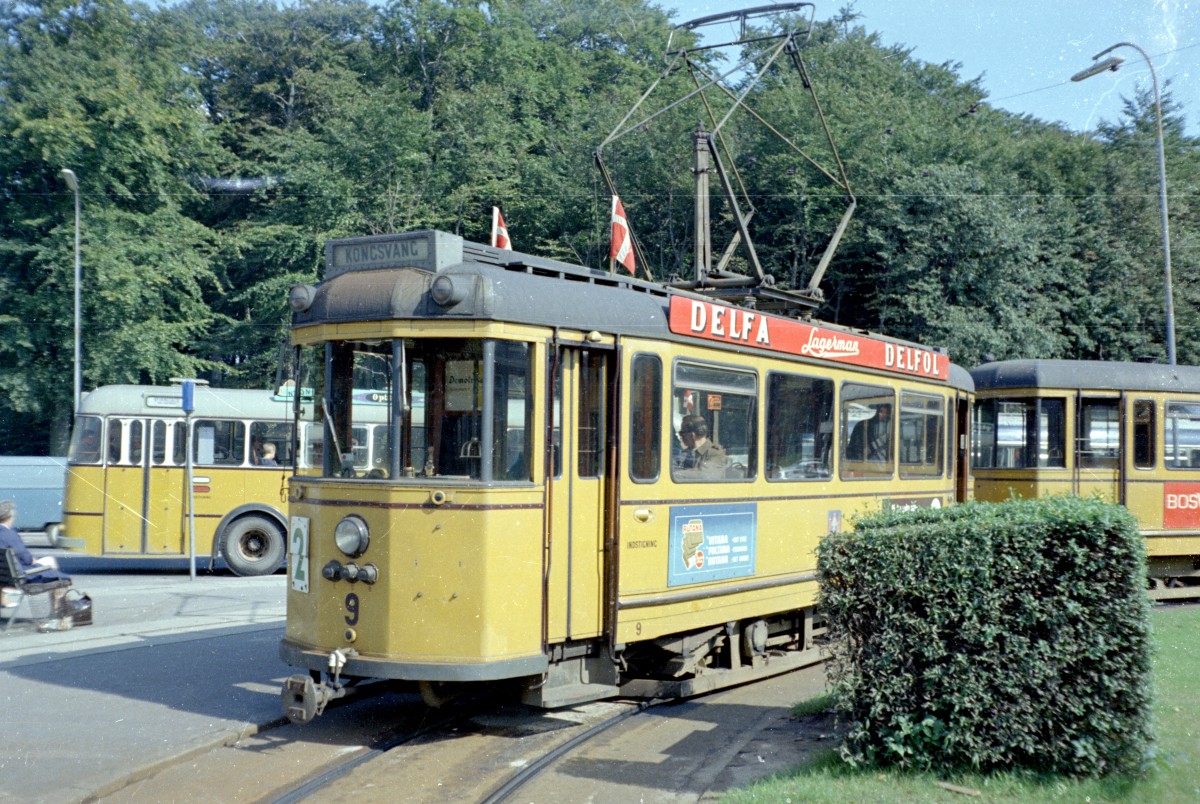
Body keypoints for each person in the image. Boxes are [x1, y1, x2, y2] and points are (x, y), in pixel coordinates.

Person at [0, 500, 72, 631]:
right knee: (60, 578)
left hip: (5, 578)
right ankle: (58, 616)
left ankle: (56, 614)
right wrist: (35, 562)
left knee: (50, 566)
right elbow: (27, 559)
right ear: (10, 517)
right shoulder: (9, 534)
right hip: (23, 577)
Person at [677, 414, 728, 479]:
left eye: (681, 433)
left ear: (692, 435)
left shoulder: (716, 454)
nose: (681, 437)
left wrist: (674, 475)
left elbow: (704, 475)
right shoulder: (685, 453)